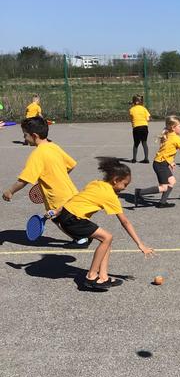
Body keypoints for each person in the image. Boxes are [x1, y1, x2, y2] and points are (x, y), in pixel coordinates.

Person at [54, 157, 154, 290]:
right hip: (74, 219)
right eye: (125, 184)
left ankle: (103, 277)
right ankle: (91, 276)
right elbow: (125, 222)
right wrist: (140, 244)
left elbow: (76, 197)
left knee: (106, 241)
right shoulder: (110, 195)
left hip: (66, 214)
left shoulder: (96, 183)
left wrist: (58, 211)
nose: (125, 188)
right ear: (116, 180)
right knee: (107, 237)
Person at [1, 116, 88, 248]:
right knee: (62, 218)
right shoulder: (54, 146)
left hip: (56, 196)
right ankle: (81, 237)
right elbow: (71, 165)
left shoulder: (37, 154)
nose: (24, 138)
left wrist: (10, 191)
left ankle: (82, 238)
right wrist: (56, 176)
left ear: (34, 135)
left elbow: (24, 179)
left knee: (63, 220)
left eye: (25, 135)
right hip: (69, 191)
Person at [134, 115, 180, 208]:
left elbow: (166, 151)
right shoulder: (177, 139)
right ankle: (139, 192)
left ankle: (162, 202)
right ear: (173, 128)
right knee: (164, 187)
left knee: (172, 181)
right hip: (160, 164)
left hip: (160, 163)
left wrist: (170, 162)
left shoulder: (167, 134)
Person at [129, 94, 150, 163]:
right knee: (144, 142)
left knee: (136, 143)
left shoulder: (131, 109)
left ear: (134, 101)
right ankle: (146, 159)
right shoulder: (144, 108)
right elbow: (148, 118)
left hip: (136, 127)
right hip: (144, 127)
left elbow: (131, 118)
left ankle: (134, 159)